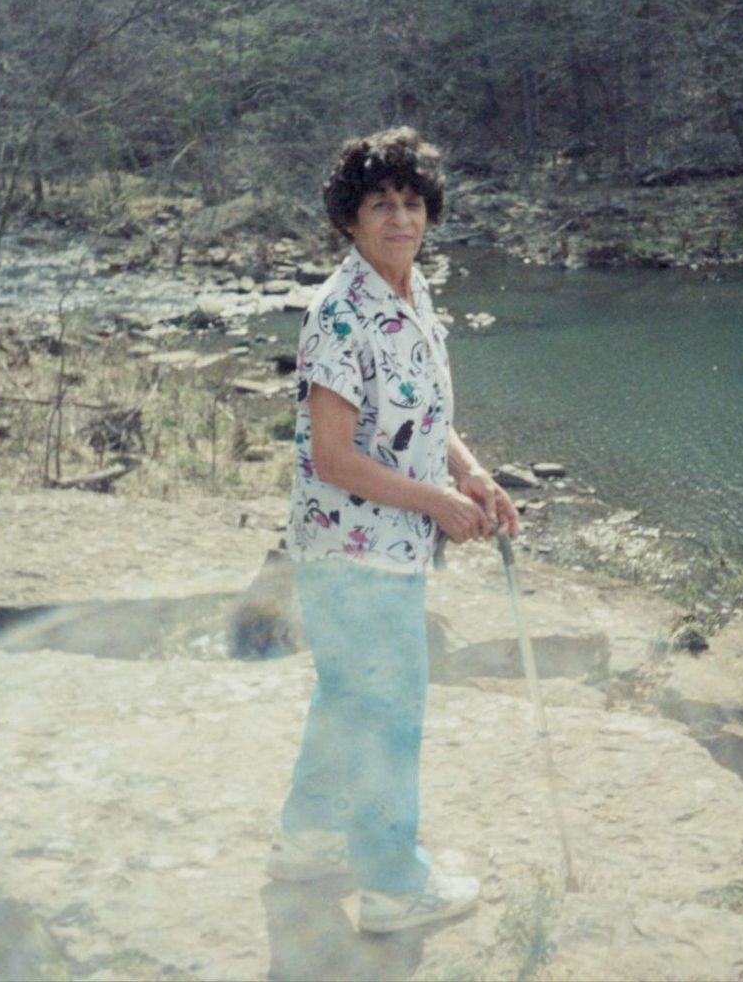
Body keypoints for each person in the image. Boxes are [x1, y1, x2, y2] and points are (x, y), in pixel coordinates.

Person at [266, 126, 520, 934]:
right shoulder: (341, 314)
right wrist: (437, 503)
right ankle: (391, 887)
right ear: (350, 217)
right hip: (354, 552)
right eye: (381, 204)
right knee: (388, 714)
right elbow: (334, 457)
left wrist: (470, 473)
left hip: (384, 545)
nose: (401, 218)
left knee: (349, 695)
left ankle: (308, 842)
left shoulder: (410, 291)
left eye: (412, 202)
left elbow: (422, 414)